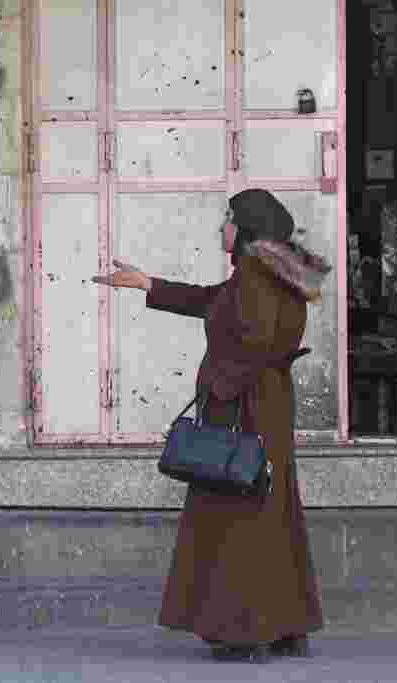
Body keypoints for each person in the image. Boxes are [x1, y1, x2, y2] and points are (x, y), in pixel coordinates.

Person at [92, 189, 330, 662]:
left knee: (236, 517)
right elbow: (211, 300)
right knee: (272, 514)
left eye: (228, 219)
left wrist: (217, 389)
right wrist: (146, 283)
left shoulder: (256, 278)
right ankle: (286, 627)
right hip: (267, 407)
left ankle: (246, 631)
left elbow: (256, 342)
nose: (221, 227)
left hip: (243, 409)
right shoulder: (268, 272)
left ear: (246, 229)